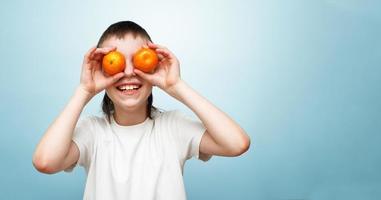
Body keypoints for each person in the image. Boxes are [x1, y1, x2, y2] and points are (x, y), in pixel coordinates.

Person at [32, 21, 250, 200]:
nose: (128, 73)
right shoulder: (92, 132)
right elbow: (45, 162)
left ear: (154, 65)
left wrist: (177, 87)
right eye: (115, 62)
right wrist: (84, 91)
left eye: (137, 62)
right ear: (101, 69)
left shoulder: (173, 127)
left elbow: (237, 144)